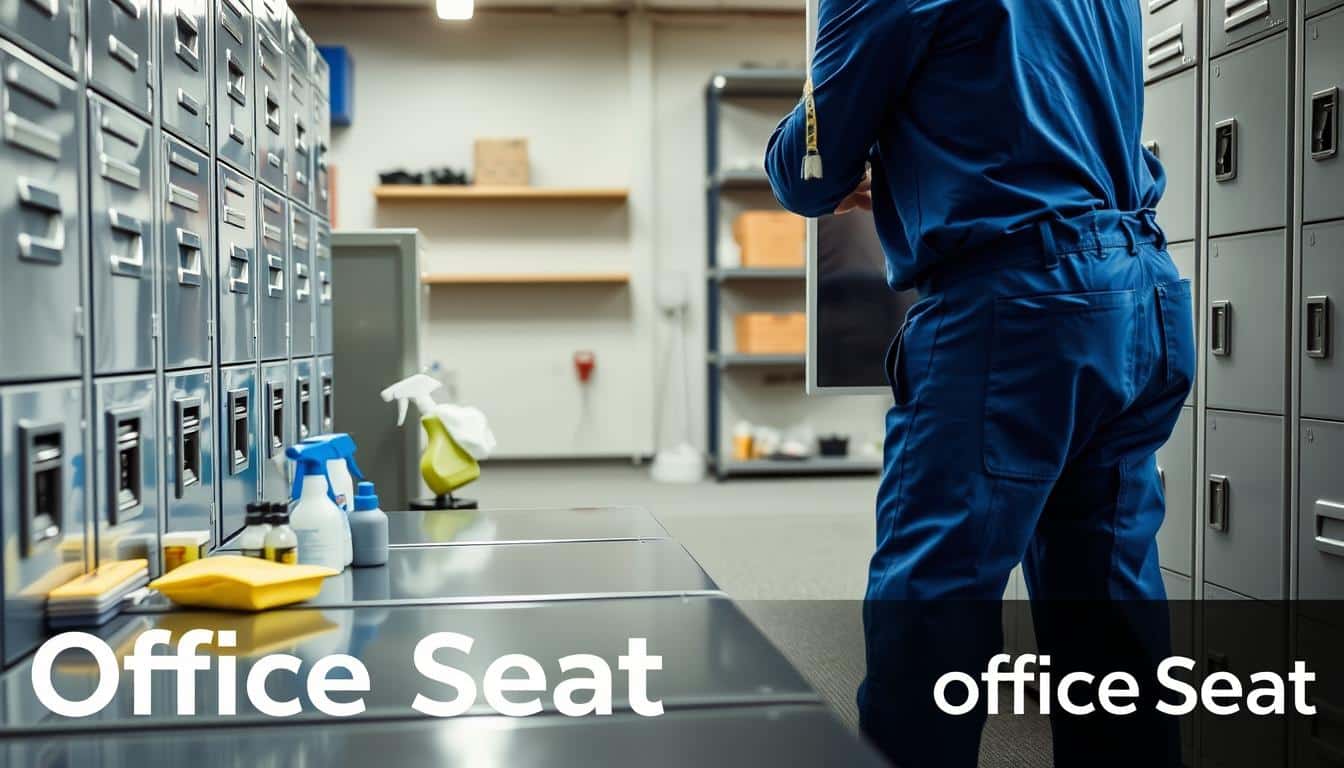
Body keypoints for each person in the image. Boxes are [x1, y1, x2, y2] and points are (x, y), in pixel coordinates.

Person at [764, 2, 1195, 766]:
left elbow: (809, 169)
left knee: (932, 610)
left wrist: (843, 143)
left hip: (1017, 312)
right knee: (1109, 617)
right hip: (1139, 294)